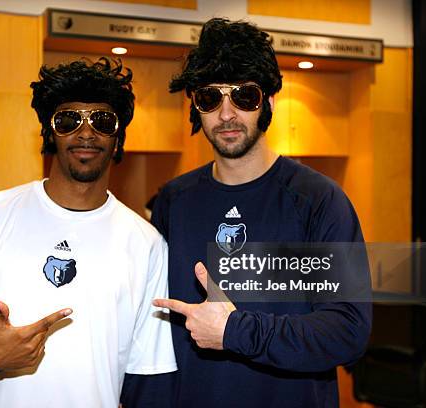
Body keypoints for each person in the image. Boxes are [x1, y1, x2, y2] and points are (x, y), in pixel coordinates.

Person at [0, 57, 176, 408]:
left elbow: (148, 378)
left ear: (118, 135)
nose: (86, 132)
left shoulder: (145, 243)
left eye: (102, 120)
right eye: (69, 120)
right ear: (49, 131)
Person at [127, 18, 372, 407]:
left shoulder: (319, 201)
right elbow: (155, 331)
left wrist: (235, 331)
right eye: (210, 97)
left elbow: (346, 332)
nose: (226, 114)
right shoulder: (173, 201)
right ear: (195, 104)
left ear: (269, 102)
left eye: (244, 96)